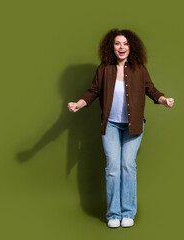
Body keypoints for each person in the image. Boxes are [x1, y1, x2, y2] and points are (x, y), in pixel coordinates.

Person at [67, 29, 174, 228]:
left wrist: (163, 100)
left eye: (125, 43)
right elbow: (92, 92)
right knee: (113, 169)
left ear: (131, 47)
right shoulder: (104, 69)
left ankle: (128, 212)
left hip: (133, 126)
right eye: (117, 43)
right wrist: (78, 104)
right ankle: (113, 214)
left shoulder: (139, 69)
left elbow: (151, 90)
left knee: (127, 165)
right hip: (110, 126)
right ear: (112, 47)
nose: (121, 47)